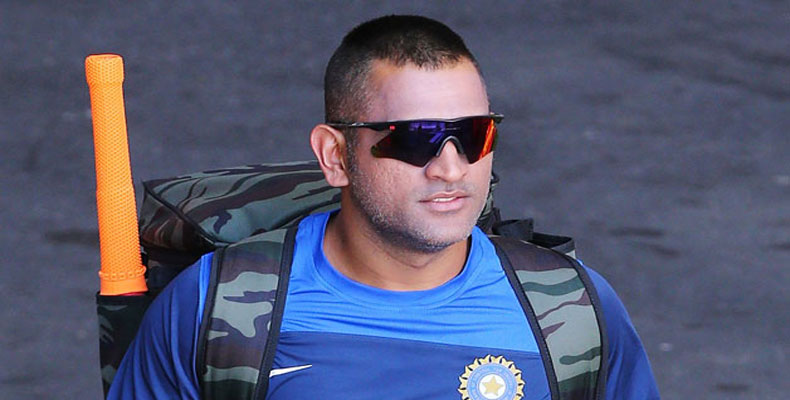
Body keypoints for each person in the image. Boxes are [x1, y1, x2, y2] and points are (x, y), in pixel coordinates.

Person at [108, 15, 660, 399]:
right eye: (415, 138)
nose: (451, 168)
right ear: (336, 155)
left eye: (474, 134)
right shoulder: (215, 309)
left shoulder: (571, 310)